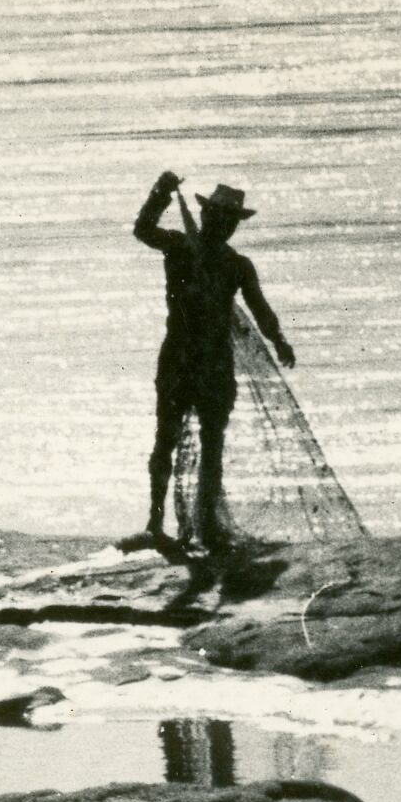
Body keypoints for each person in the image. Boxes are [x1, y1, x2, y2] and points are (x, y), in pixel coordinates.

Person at [133, 171, 294, 550]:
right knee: (176, 440)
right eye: (221, 219)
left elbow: (261, 311)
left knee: (200, 443)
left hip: (201, 364)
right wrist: (159, 192)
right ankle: (162, 522)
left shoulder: (229, 263)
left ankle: (196, 523)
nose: (224, 227)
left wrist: (280, 340)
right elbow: (142, 230)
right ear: (206, 217)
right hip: (192, 362)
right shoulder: (187, 249)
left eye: (230, 222)